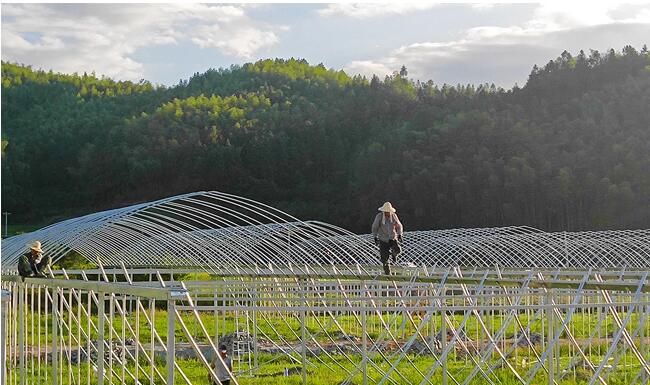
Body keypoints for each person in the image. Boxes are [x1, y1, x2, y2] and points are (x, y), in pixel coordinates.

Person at [371, 202, 404, 275]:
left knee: (398, 250)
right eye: (386, 212)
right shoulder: (379, 217)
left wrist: (399, 234)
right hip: (383, 239)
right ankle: (388, 274)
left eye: (388, 212)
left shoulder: (394, 216)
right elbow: (375, 227)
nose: (387, 213)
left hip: (392, 237)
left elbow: (399, 226)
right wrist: (375, 237)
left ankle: (393, 254)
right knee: (384, 258)